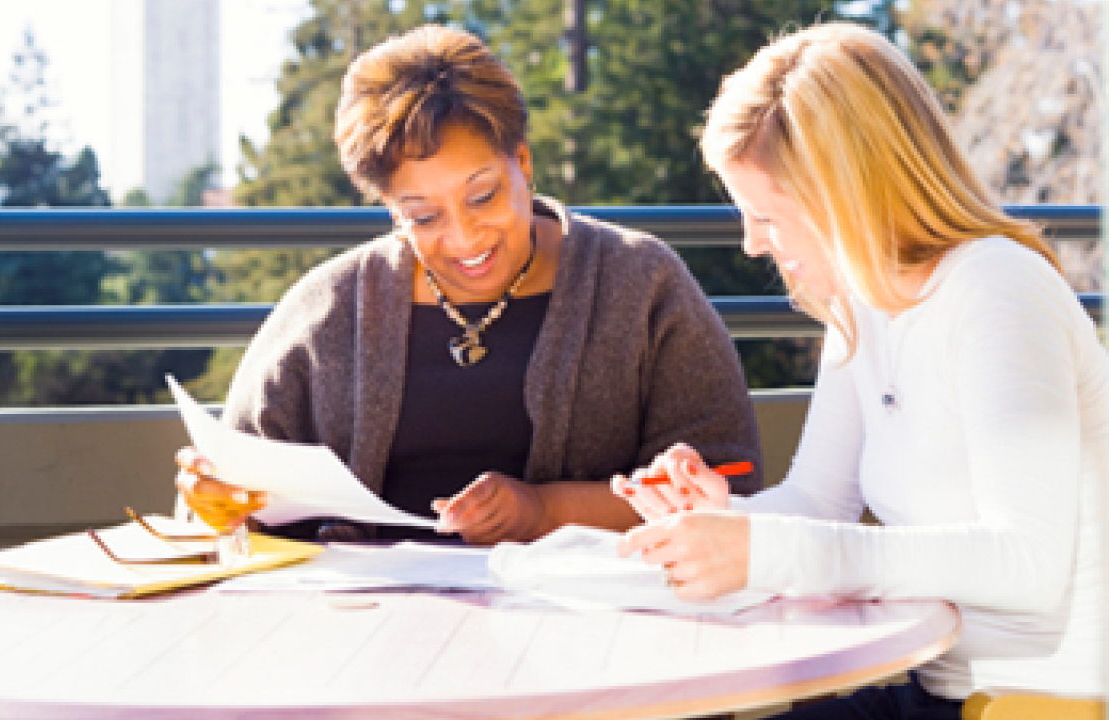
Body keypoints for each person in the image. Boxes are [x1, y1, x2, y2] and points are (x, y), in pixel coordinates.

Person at [614, 22, 1106, 717]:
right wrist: (725, 521)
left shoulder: (999, 292)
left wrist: (767, 551)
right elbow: (817, 504)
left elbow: (1026, 562)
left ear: (843, 195)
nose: (754, 243)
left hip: (1034, 701)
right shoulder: (863, 306)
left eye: (767, 216)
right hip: (937, 686)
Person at [174, 24, 763, 545]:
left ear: (524, 165)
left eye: (483, 196)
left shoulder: (642, 284)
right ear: (388, 207)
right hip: (365, 629)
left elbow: (727, 483)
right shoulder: (326, 308)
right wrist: (215, 500)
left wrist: (545, 512)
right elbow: (231, 499)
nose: (464, 238)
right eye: (423, 216)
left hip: (587, 631)